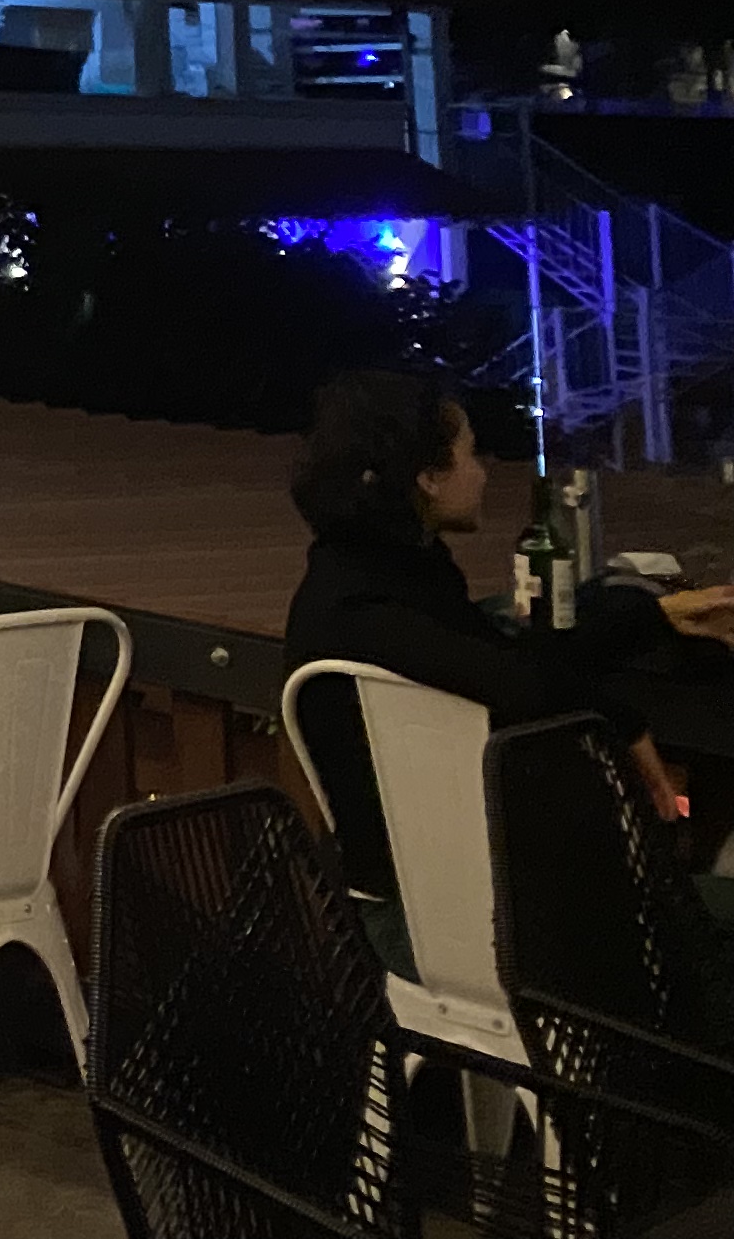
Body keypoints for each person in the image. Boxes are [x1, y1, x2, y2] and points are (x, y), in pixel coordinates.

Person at [283, 368, 734, 969]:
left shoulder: (373, 573)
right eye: (470, 454)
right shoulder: (363, 608)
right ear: (428, 478)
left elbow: (507, 658)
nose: (485, 470)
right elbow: (521, 682)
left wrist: (649, 611)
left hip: (470, 897)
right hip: (429, 926)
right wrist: (624, 723)